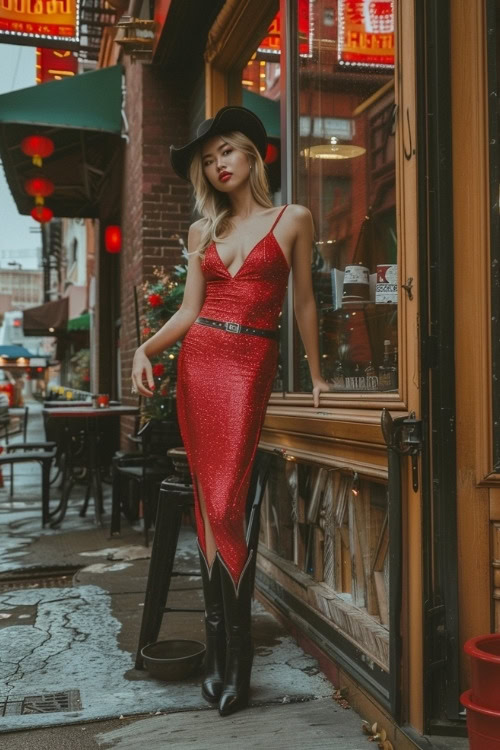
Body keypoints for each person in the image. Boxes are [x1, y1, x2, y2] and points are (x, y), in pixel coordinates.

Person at [131, 106, 330, 716]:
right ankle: (219, 657)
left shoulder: (291, 218)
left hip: (250, 366)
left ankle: (237, 659)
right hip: (201, 361)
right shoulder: (201, 234)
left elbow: (302, 306)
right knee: (210, 503)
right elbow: (190, 313)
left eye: (228, 152)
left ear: (253, 157)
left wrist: (318, 375)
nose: (218, 164)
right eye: (210, 157)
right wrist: (146, 347)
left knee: (224, 504)